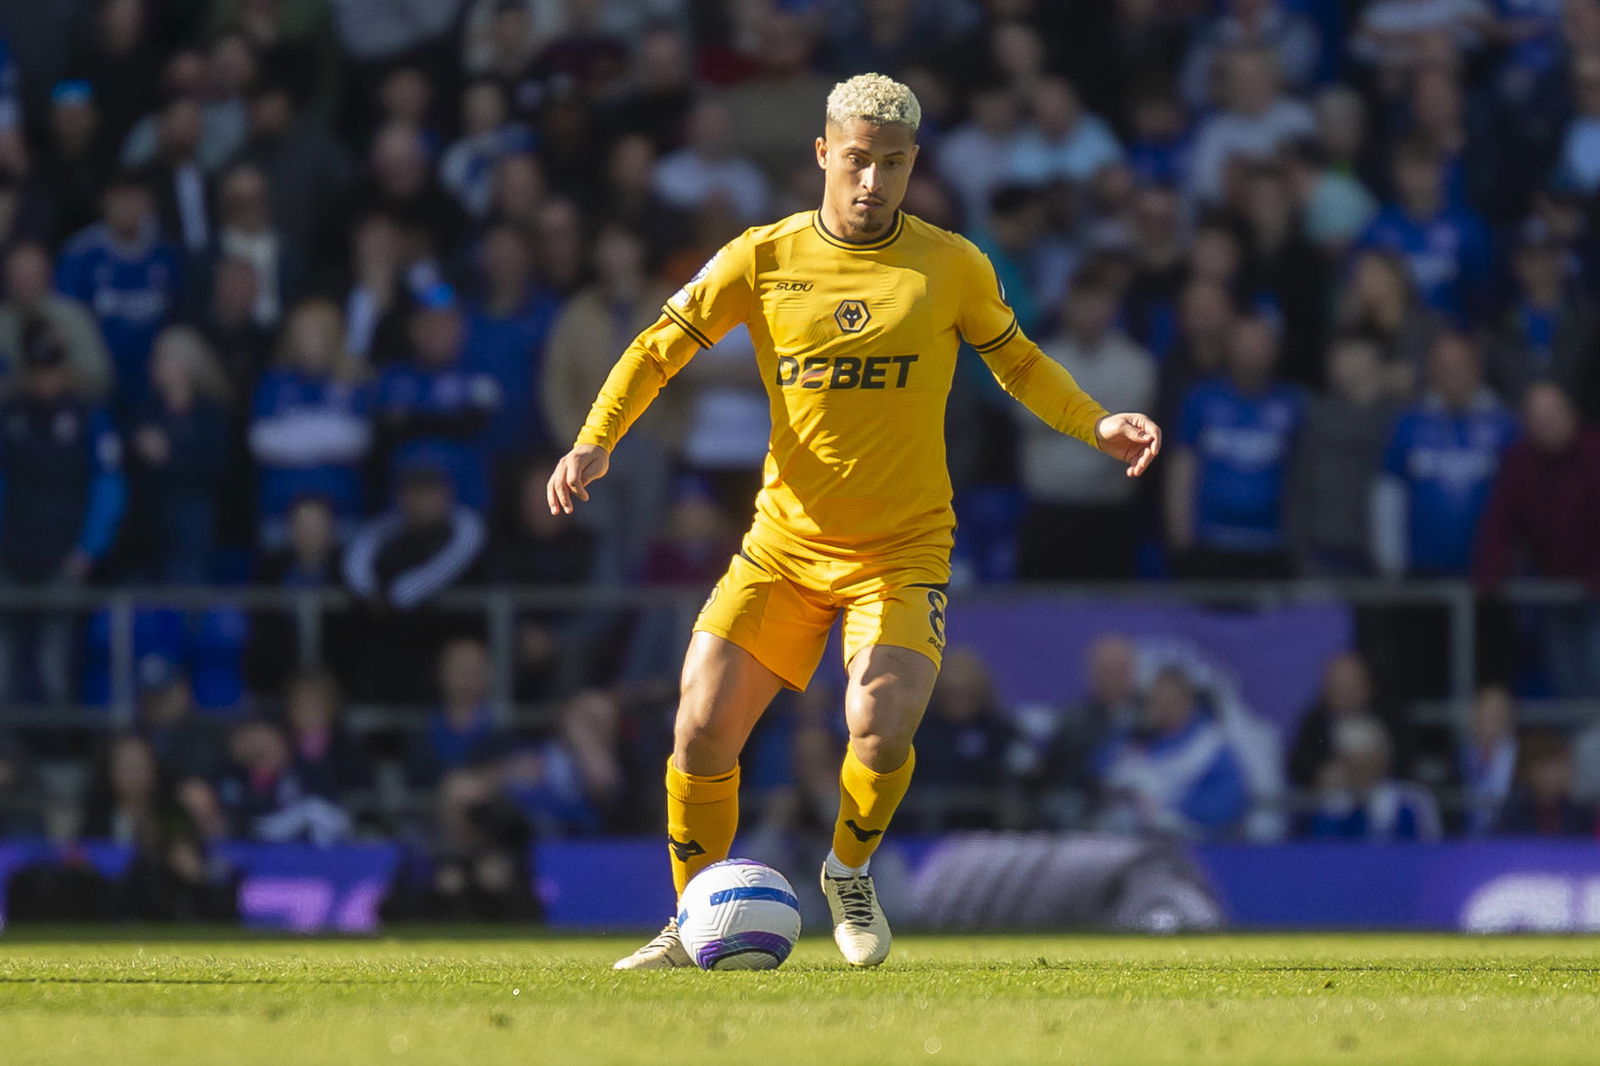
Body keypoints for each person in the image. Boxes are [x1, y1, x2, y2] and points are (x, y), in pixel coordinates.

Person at [546, 75, 1160, 970]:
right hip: (784, 548)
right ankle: (691, 918)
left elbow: (1020, 365)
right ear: (824, 154)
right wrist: (595, 439)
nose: (874, 181)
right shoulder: (762, 256)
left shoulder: (951, 264)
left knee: (879, 719)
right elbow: (657, 347)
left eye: (894, 164)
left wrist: (1095, 423)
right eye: (859, 161)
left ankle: (848, 870)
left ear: (914, 164)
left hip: (901, 549)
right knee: (700, 729)